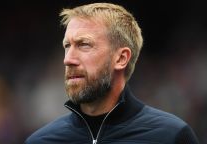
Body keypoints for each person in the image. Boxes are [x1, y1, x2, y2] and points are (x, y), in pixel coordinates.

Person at [25, 2, 199, 144]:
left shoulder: (171, 136)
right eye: (67, 46)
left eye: (84, 44)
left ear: (121, 58)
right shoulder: (40, 141)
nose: (68, 59)